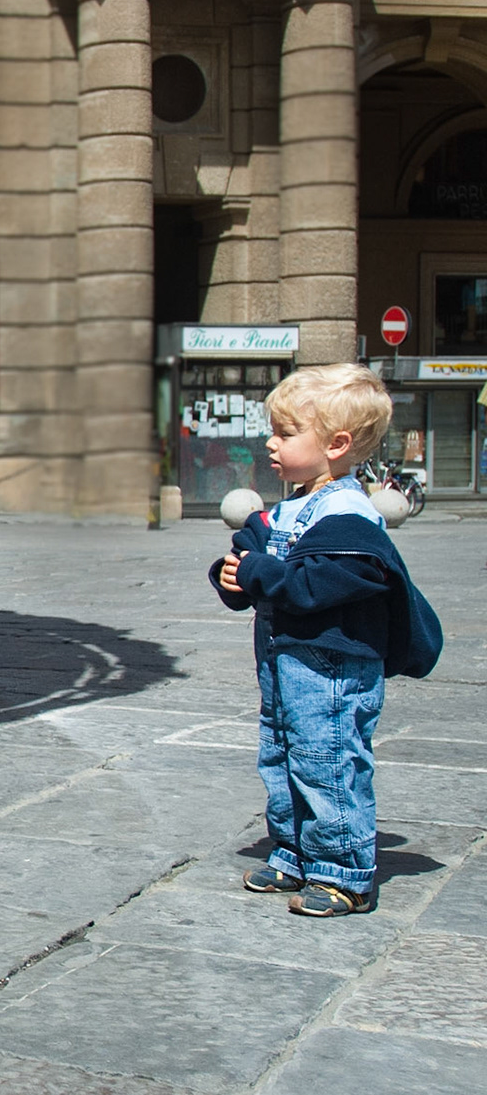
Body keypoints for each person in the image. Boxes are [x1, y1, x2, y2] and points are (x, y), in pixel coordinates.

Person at [212, 365, 442, 918]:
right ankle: (295, 850)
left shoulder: (350, 516)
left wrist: (260, 575)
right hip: (284, 661)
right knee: (281, 753)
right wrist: (231, 574)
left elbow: (320, 584)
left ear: (336, 445)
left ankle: (343, 870)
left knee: (329, 759)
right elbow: (253, 557)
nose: (271, 441)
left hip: (333, 669)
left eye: (286, 433)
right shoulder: (287, 507)